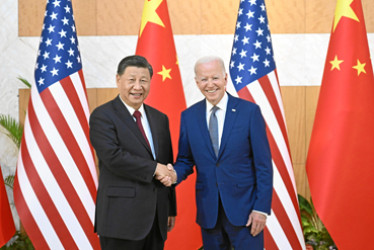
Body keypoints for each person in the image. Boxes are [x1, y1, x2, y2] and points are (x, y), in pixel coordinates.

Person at [168, 56, 273, 250]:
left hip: (246, 212)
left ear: (225, 78)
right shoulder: (189, 116)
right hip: (209, 213)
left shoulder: (249, 112)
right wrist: (173, 174)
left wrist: (261, 208)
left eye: (215, 78)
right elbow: (185, 159)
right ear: (197, 82)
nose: (210, 84)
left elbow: (263, 165)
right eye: (204, 79)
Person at [89, 55, 176, 250]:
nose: (138, 86)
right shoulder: (103, 116)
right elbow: (113, 157)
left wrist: (170, 208)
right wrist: (154, 168)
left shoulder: (159, 118)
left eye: (143, 81)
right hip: (121, 219)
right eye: (131, 80)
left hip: (156, 218)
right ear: (118, 80)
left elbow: (166, 163)